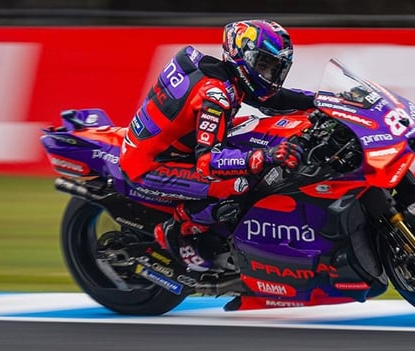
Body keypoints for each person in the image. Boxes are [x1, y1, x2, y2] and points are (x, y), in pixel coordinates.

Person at [119, 19, 315, 270]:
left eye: (275, 68)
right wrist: (265, 156)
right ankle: (178, 228)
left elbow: (273, 101)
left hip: (175, 148)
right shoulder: (216, 96)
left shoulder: (225, 76)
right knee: (241, 184)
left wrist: (324, 101)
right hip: (151, 165)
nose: (269, 75)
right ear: (242, 57)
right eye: (263, 65)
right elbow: (207, 162)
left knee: (257, 131)